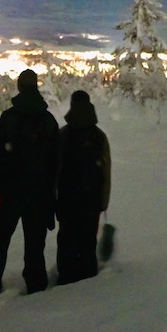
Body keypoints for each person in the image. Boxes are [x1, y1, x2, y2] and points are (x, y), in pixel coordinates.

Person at [0, 68, 60, 323]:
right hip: (38, 196)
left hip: (9, 194)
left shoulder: (9, 118)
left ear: (20, 87)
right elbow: (56, 163)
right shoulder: (48, 121)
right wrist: (50, 198)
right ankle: (35, 294)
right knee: (35, 247)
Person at [55, 89, 112, 285]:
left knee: (67, 241)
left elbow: (55, 170)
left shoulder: (62, 135)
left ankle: (65, 279)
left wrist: (54, 199)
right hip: (91, 199)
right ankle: (87, 281)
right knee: (88, 241)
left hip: (66, 199)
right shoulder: (99, 136)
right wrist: (103, 201)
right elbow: (106, 172)